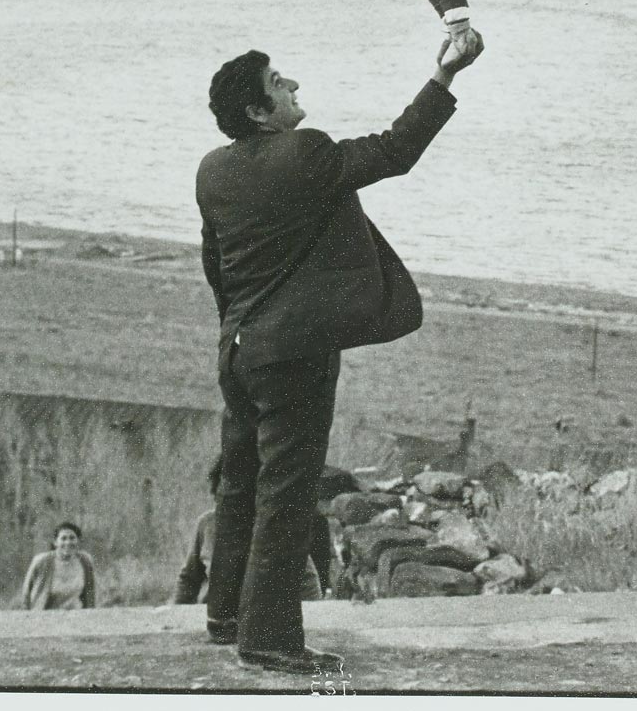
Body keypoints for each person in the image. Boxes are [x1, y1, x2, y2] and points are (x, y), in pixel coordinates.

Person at [197, 33, 482, 676]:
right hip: (293, 357)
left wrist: (237, 333)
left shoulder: (212, 170)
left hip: (238, 353)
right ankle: (268, 638)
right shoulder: (305, 151)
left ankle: (226, 616)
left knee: (240, 484)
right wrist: (444, 77)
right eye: (278, 82)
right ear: (258, 112)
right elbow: (395, 150)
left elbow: (215, 264)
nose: (293, 85)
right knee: (286, 494)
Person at [173, 456, 335, 606]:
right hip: (218, 619)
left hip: (265, 621)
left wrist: (310, 622)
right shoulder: (206, 525)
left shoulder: (278, 524)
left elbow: (307, 582)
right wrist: (179, 619)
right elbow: (188, 580)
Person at [18, 521, 96, 610]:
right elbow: (26, 592)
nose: (68, 542)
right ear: (55, 542)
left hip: (76, 616)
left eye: (72, 538)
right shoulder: (41, 561)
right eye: (63, 538)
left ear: (78, 540)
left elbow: (90, 593)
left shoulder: (85, 560)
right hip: (46, 617)